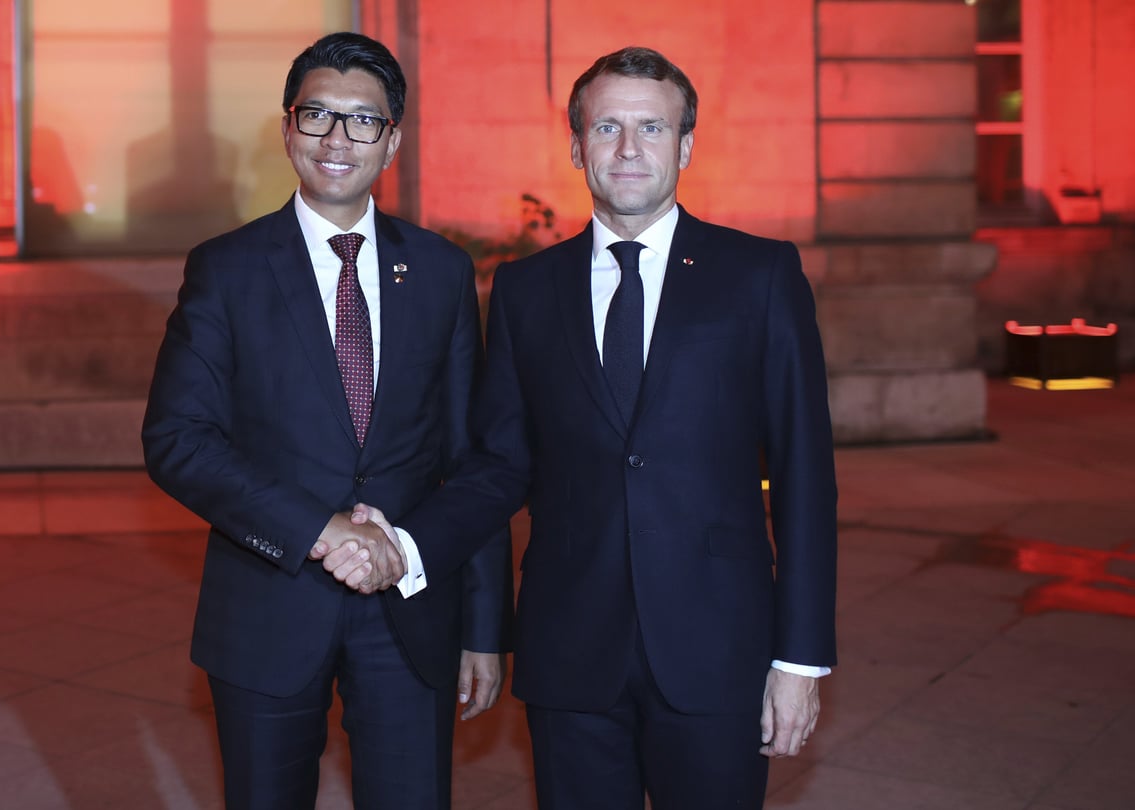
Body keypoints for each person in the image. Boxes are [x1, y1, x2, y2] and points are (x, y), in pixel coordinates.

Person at [337, 46, 838, 809]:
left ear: (686, 146)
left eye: (651, 128)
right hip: (570, 650)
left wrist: (799, 661)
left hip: (717, 646)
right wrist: (404, 545)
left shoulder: (759, 275)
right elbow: (498, 465)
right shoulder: (525, 289)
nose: (629, 149)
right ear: (576, 147)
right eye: (606, 127)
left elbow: (805, 477)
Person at [141, 31, 512, 810]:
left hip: (409, 609)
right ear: (286, 128)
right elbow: (178, 439)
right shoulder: (228, 268)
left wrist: (483, 627)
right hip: (269, 605)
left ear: (393, 141)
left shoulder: (441, 271)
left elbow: (469, 460)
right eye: (317, 116)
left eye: (362, 121)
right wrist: (320, 530)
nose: (337, 140)